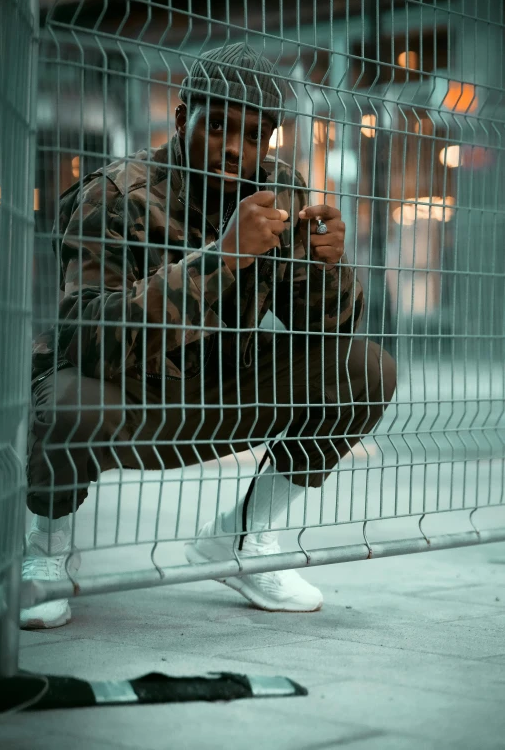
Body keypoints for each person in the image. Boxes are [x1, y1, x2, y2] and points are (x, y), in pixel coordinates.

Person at [22, 42, 396, 629]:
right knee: (66, 398)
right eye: (216, 125)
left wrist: (329, 268)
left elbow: (321, 331)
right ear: (181, 117)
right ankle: (47, 547)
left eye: (251, 136)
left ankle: (241, 540)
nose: (231, 148)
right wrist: (221, 258)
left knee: (364, 368)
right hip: (133, 396)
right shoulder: (116, 193)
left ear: (269, 141)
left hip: (223, 391)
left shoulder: (279, 191)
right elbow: (88, 337)